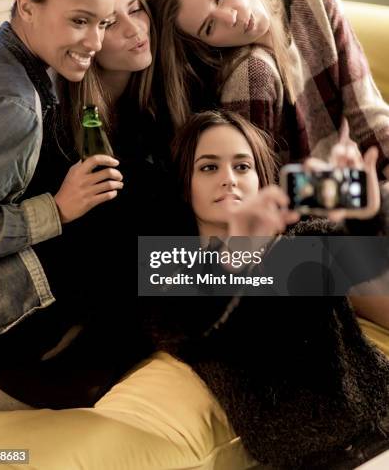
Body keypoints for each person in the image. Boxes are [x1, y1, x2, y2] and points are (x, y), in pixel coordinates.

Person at [0, 0, 185, 412]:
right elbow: (89, 260)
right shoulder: (56, 130)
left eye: (137, 9)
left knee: (321, 261)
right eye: (111, 22)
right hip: (72, 302)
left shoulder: (157, 106)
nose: (135, 30)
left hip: (161, 277)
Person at [147, 109, 389, 469]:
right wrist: (237, 252)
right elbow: (191, 320)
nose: (229, 179)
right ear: (185, 185)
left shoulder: (300, 244)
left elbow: (364, 261)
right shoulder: (172, 269)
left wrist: (363, 215)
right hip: (329, 459)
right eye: (209, 167)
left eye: (243, 166)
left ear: (262, 179)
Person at [0, 0, 121, 412]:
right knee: (123, 272)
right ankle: (16, 395)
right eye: (79, 21)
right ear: (26, 4)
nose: (95, 42)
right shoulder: (12, 106)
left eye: (104, 23)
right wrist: (58, 210)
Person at [143, 0, 389, 178]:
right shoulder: (249, 75)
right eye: (209, 27)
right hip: (312, 212)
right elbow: (261, 194)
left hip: (357, 182)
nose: (230, 17)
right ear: (203, 46)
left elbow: (367, 112)